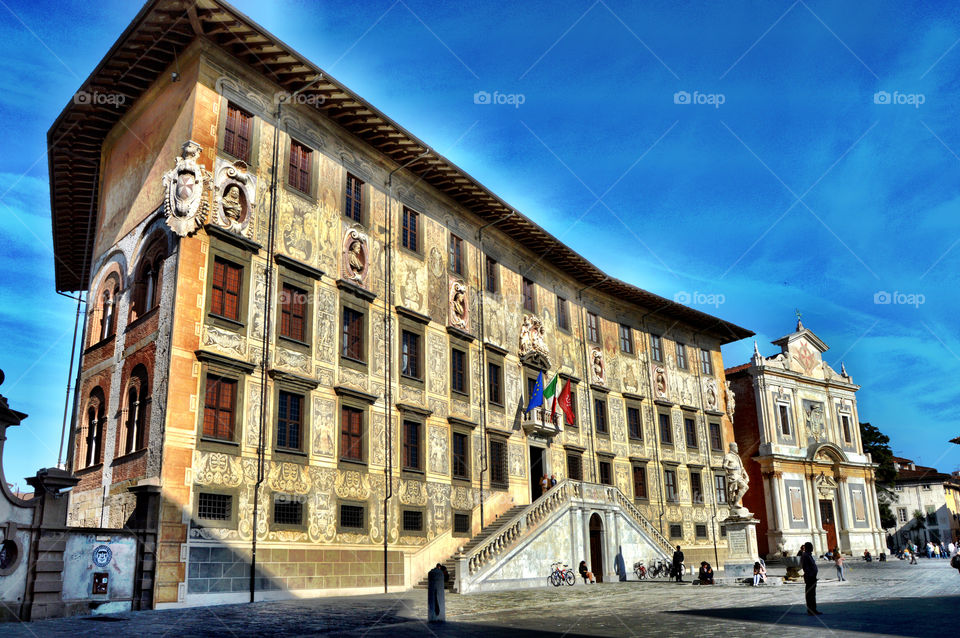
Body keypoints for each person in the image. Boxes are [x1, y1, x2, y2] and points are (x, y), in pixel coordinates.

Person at [801, 541, 821, 615]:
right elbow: (806, 567)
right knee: (810, 594)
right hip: (810, 577)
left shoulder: (808, 555)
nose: (812, 548)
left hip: (812, 577)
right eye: (811, 547)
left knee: (812, 594)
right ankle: (811, 610)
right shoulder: (805, 555)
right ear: (808, 548)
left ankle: (813, 609)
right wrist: (811, 575)